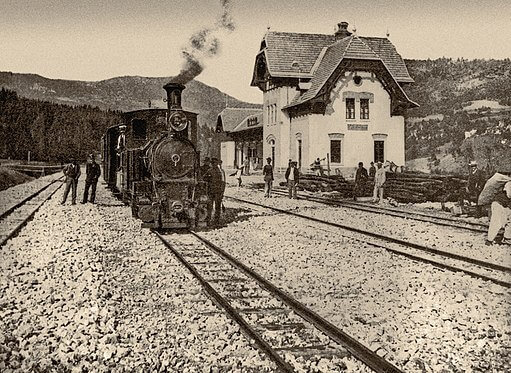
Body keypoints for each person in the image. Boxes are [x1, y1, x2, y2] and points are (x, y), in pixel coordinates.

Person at [486, 181, 511, 245]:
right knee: (497, 222)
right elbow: (509, 195)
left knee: (509, 221)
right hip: (499, 204)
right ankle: (489, 241)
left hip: (506, 205)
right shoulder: (509, 183)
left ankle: (507, 238)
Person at [204, 158, 224, 226]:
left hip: (212, 191)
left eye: (214, 163)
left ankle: (209, 220)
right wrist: (222, 192)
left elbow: (204, 179)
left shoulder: (210, 171)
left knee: (211, 207)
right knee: (216, 207)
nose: (214, 164)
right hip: (216, 191)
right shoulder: (220, 171)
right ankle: (216, 221)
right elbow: (223, 183)